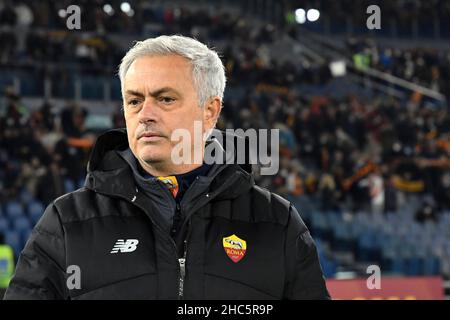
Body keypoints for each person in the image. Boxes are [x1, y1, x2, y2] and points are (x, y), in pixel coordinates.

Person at [4, 35, 329, 300]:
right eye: (134, 101)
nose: (145, 113)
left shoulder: (277, 222)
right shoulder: (67, 221)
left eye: (165, 99)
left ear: (210, 111)